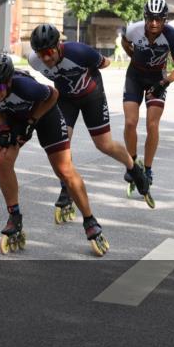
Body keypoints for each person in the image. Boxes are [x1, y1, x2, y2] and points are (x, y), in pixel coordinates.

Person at [0, 52, 109, 256]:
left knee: (64, 169)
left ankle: (90, 220)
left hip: (46, 115)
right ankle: (14, 216)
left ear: (9, 81)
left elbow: (54, 95)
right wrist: (2, 126)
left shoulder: (26, 87)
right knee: (2, 157)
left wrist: (32, 121)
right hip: (15, 117)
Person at [27, 24, 151, 215]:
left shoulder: (79, 52)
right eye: (41, 54)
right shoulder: (34, 61)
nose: (46, 58)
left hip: (92, 96)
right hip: (66, 99)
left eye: (49, 52)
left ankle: (134, 168)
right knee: (62, 142)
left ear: (59, 45)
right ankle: (67, 187)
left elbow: (106, 63)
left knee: (104, 145)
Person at [120, 0, 174, 189]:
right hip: (134, 77)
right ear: (145, 18)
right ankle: (133, 165)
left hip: (157, 79)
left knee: (152, 124)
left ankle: (148, 169)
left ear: (165, 20)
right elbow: (125, 42)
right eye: (150, 18)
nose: (154, 23)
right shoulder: (134, 30)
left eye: (158, 19)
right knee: (130, 122)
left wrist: (164, 83)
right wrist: (133, 56)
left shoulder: (171, 35)